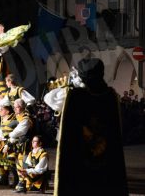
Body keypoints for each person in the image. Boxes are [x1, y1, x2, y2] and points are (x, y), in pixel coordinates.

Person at [54, 58, 129, 196]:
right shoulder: (110, 96)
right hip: (106, 159)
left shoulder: (74, 96)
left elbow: (50, 98)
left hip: (78, 158)